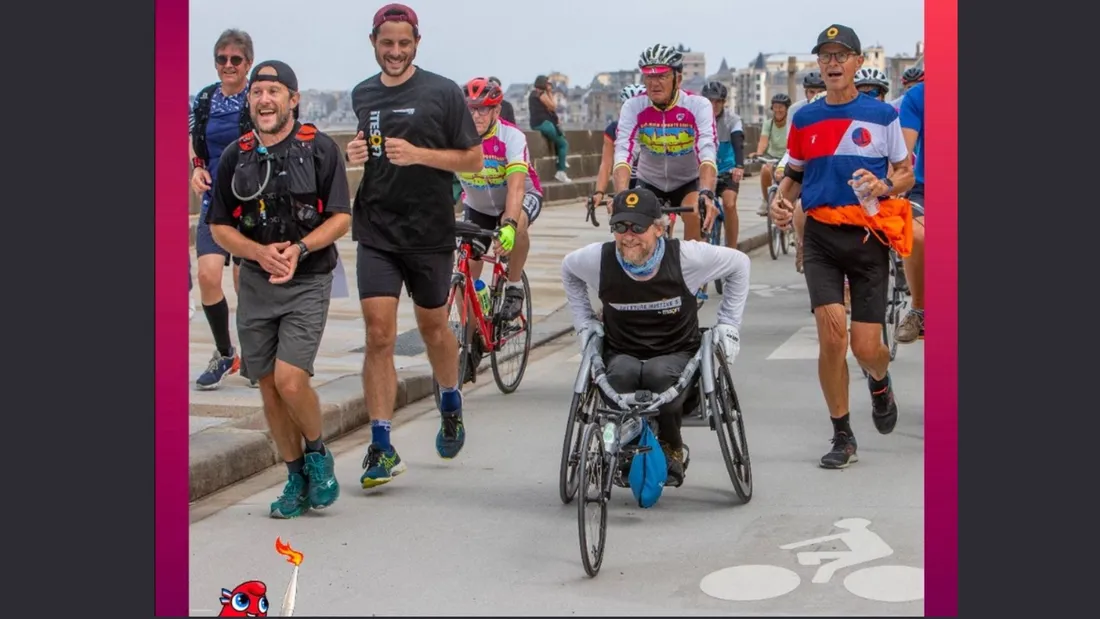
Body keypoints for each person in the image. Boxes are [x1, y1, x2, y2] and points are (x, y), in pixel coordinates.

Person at [345, 3, 484, 488]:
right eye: (387, 44)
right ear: (374, 43)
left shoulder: (442, 91)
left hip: (429, 231)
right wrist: (354, 153)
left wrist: (421, 155)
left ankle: (450, 398)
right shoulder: (362, 93)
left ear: (417, 44)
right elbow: (367, 146)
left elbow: (473, 158)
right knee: (379, 335)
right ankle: (381, 445)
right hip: (377, 227)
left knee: (433, 329)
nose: (396, 52)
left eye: (404, 43)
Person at [206, 60, 352, 518]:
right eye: (257, 92)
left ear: (293, 99)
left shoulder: (321, 148)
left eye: (274, 91)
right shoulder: (236, 155)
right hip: (256, 284)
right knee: (268, 387)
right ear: (249, 102)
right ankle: (294, 477)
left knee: (291, 380)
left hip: (307, 280)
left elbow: (342, 218)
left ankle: (316, 452)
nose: (264, 100)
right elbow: (219, 227)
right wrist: (256, 251)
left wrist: (300, 249)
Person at [770, 24, 915, 469]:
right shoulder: (805, 118)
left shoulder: (882, 116)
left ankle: (879, 378)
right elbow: (793, 173)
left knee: (866, 347)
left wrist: (885, 183)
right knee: (832, 334)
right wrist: (782, 198)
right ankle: (843, 436)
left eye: (841, 55)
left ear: (856, 63)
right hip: (821, 237)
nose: (832, 63)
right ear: (818, 65)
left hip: (868, 237)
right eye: (825, 56)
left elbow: (906, 173)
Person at [560, 188, 750, 486]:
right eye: (620, 227)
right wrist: (584, 322)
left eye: (638, 227)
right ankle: (623, 447)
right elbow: (568, 269)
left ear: (659, 229)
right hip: (622, 351)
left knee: (659, 374)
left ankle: (670, 446)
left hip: (675, 353)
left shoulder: (687, 257)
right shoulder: (599, 259)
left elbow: (739, 264)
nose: (628, 236)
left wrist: (729, 325)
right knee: (619, 377)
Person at [189, 29, 254, 390]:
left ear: (248, 63)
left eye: (235, 60)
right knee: (208, 276)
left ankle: (254, 354)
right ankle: (225, 352)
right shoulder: (204, 100)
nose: (228, 66)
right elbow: (195, 142)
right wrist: (197, 168)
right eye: (221, 59)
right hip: (215, 203)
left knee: (246, 285)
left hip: (248, 203)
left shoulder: (256, 98)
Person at [613, 44, 720, 248]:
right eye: (649, 77)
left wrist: (706, 192)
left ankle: (692, 275)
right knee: (635, 227)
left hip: (688, 181)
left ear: (677, 79)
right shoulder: (634, 106)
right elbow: (624, 152)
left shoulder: (697, 105)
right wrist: (620, 195)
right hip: (650, 181)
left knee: (695, 212)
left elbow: (706, 151)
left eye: (662, 76)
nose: (654, 84)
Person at [456, 77, 543, 322]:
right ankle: (471, 345)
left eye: (483, 109)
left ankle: (514, 285)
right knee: (466, 278)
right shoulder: (453, 138)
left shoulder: (511, 137)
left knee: (518, 224)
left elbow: (516, 189)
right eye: (471, 109)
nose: (476, 116)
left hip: (520, 197)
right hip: (477, 206)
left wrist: (510, 225)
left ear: (496, 110)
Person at [896, 80, 925, 343]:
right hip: (927, 187)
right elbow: (903, 156)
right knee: (914, 234)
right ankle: (919, 309)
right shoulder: (918, 96)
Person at [701, 80, 744, 247]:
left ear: (724, 103)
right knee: (697, 208)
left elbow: (738, 141)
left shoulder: (732, 119)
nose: (714, 105)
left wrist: (739, 166)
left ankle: (732, 249)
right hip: (704, 171)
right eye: (710, 101)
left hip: (727, 169)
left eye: (718, 101)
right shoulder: (697, 118)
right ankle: (701, 246)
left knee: (729, 203)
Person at [591, 83, 645, 207]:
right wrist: (599, 192)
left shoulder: (655, 125)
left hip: (650, 179)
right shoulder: (613, 129)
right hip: (625, 177)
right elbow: (606, 164)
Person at [749, 93, 791, 216]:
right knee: (765, 170)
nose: (778, 110)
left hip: (787, 157)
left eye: (781, 107)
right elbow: (763, 141)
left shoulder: (791, 123)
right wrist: (758, 153)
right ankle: (766, 200)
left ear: (787, 108)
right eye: (775, 107)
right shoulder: (769, 124)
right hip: (772, 157)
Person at [528, 75, 571, 183]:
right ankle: (561, 170)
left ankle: (561, 159)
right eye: (547, 83)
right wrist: (550, 92)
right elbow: (553, 106)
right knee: (563, 143)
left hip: (538, 123)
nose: (549, 85)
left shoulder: (534, 94)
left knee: (559, 139)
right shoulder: (540, 94)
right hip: (544, 124)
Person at [786, 72, 827, 136]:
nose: (816, 95)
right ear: (806, 93)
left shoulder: (833, 109)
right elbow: (790, 138)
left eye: (820, 91)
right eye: (812, 92)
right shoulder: (794, 109)